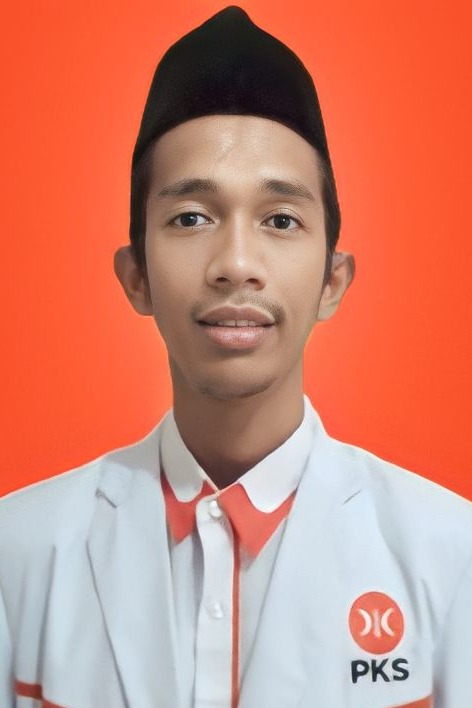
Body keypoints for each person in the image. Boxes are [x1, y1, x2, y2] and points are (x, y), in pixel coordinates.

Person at [1, 6, 471, 708]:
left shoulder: (452, 557)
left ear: (331, 281)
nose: (237, 263)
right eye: (191, 217)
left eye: (281, 219)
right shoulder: (17, 553)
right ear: (136, 276)